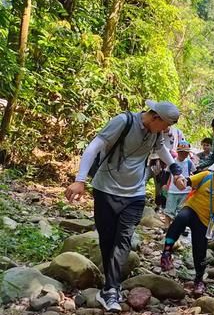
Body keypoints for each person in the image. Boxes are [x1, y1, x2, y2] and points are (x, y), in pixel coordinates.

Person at [65, 100, 185, 313]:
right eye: (165, 124)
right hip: (106, 190)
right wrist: (80, 180)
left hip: (135, 194)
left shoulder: (156, 133)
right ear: (155, 117)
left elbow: (163, 150)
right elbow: (95, 146)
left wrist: (176, 171)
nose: (167, 130)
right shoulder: (123, 122)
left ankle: (110, 289)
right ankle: (111, 284)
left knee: (123, 240)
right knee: (107, 238)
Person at [161, 157, 214, 295]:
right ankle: (166, 253)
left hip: (205, 221)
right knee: (180, 218)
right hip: (191, 209)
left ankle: (199, 280)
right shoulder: (206, 176)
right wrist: (181, 181)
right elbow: (188, 181)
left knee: (200, 250)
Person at [164, 141, 195, 226]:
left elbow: (195, 173)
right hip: (172, 190)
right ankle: (166, 226)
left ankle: (179, 227)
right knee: (169, 209)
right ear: (177, 152)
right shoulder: (172, 162)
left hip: (186, 191)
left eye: (186, 152)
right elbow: (166, 173)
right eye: (181, 152)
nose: (183, 154)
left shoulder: (189, 162)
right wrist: (165, 184)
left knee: (181, 210)